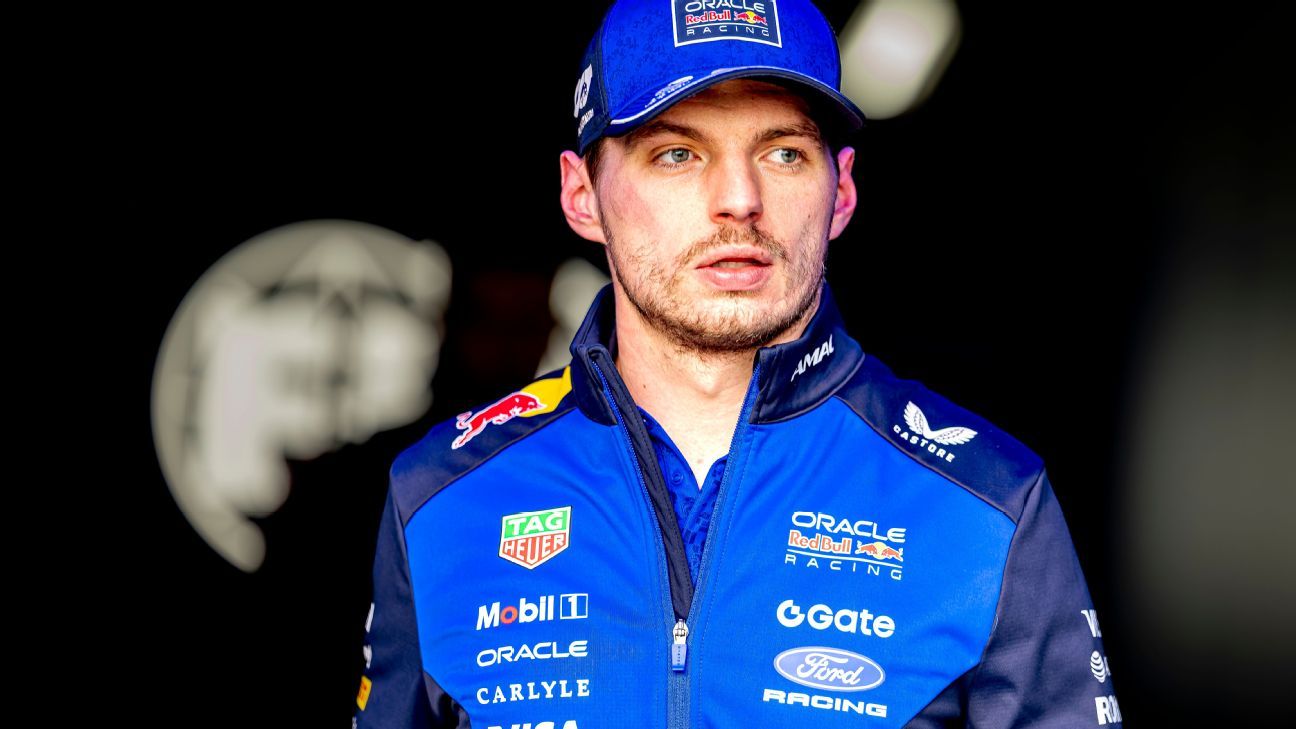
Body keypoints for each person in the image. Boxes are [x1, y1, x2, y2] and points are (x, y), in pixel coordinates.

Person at [354, 1, 1121, 727]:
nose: (738, 199)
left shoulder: (989, 502)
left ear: (842, 192)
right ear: (582, 195)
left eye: (784, 153)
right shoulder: (440, 496)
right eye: (677, 153)